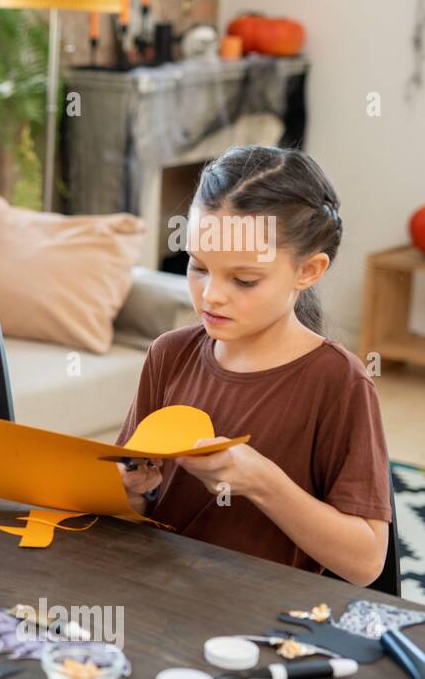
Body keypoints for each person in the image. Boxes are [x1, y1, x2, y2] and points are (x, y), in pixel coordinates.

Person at [118, 146, 390, 586]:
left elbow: (365, 563)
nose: (211, 296)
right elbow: (137, 509)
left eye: (244, 280)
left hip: (262, 625)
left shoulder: (338, 383)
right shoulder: (168, 355)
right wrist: (127, 493)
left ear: (309, 270)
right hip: (156, 597)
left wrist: (263, 482)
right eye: (198, 266)